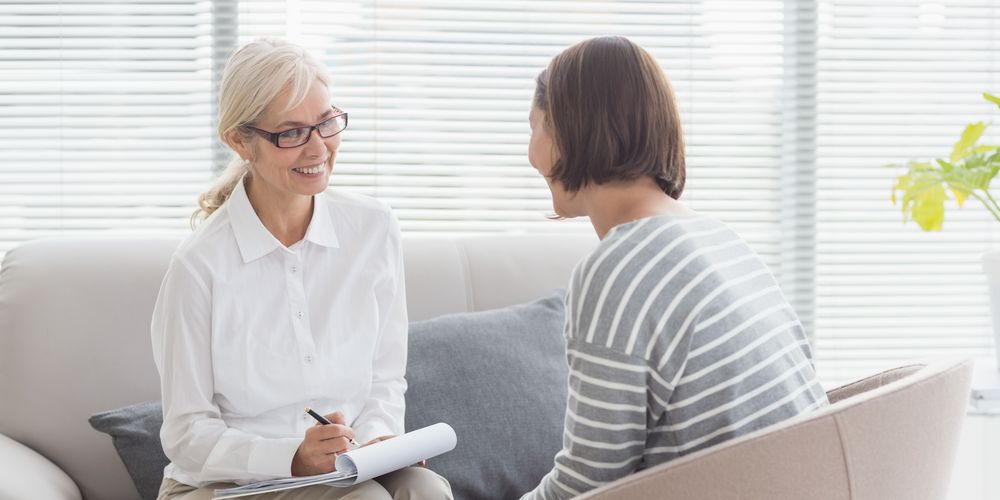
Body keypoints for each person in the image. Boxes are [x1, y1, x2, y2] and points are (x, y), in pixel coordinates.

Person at [520, 36, 828, 499]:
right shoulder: (721, 240)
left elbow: (588, 485)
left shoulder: (616, 271)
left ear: (571, 129)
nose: (530, 152)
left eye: (535, 127)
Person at [150, 38, 452, 500]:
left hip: (344, 472)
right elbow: (187, 435)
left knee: (425, 490)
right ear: (240, 141)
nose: (318, 149)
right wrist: (292, 457)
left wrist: (377, 441)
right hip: (224, 486)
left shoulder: (373, 229)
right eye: (291, 133)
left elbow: (385, 379)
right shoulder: (199, 266)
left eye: (326, 123)